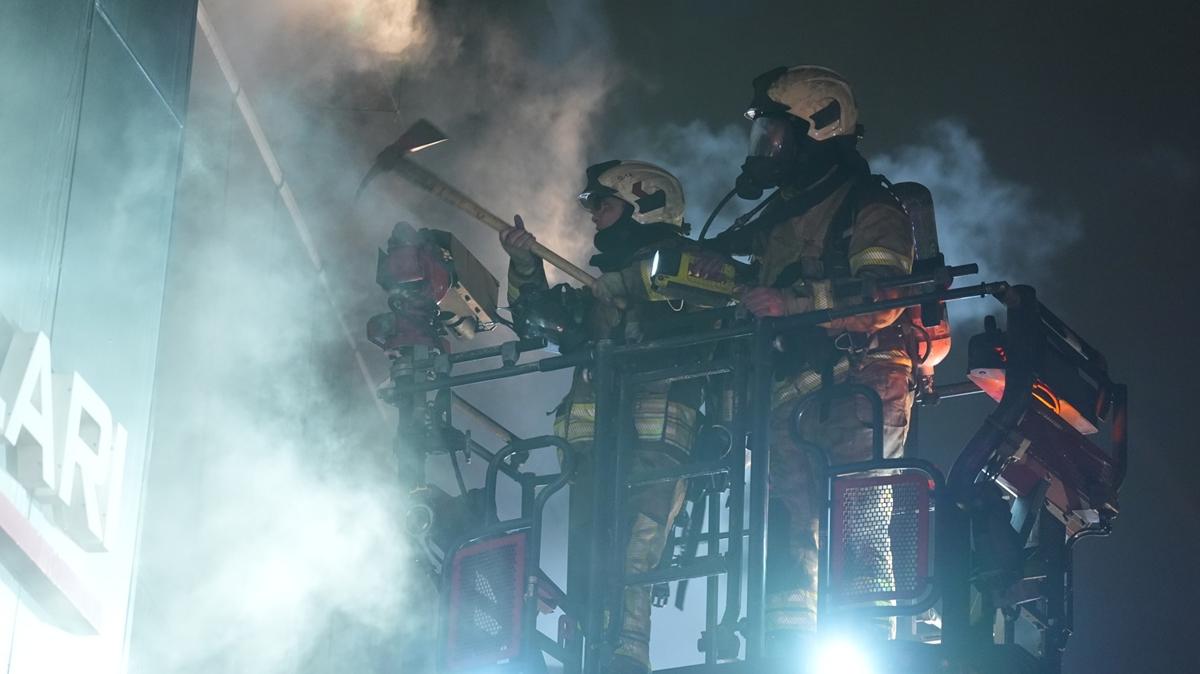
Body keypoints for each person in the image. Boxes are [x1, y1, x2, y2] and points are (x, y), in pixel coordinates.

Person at [704, 65, 917, 644]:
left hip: (860, 385)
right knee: (786, 531)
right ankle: (786, 646)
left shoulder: (870, 205)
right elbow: (755, 295)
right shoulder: (776, 222)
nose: (767, 149)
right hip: (789, 394)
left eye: (776, 135)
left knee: (859, 519)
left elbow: (886, 297)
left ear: (818, 128)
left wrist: (790, 300)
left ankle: (873, 643)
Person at [500, 160, 702, 674]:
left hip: (657, 444)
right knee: (589, 555)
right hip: (593, 451)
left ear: (646, 209)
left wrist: (629, 286)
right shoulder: (597, 292)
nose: (594, 218)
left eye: (604, 206)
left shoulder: (690, 265)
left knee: (636, 545)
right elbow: (541, 319)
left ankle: (626, 658)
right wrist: (525, 265)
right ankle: (589, 654)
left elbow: (707, 290)